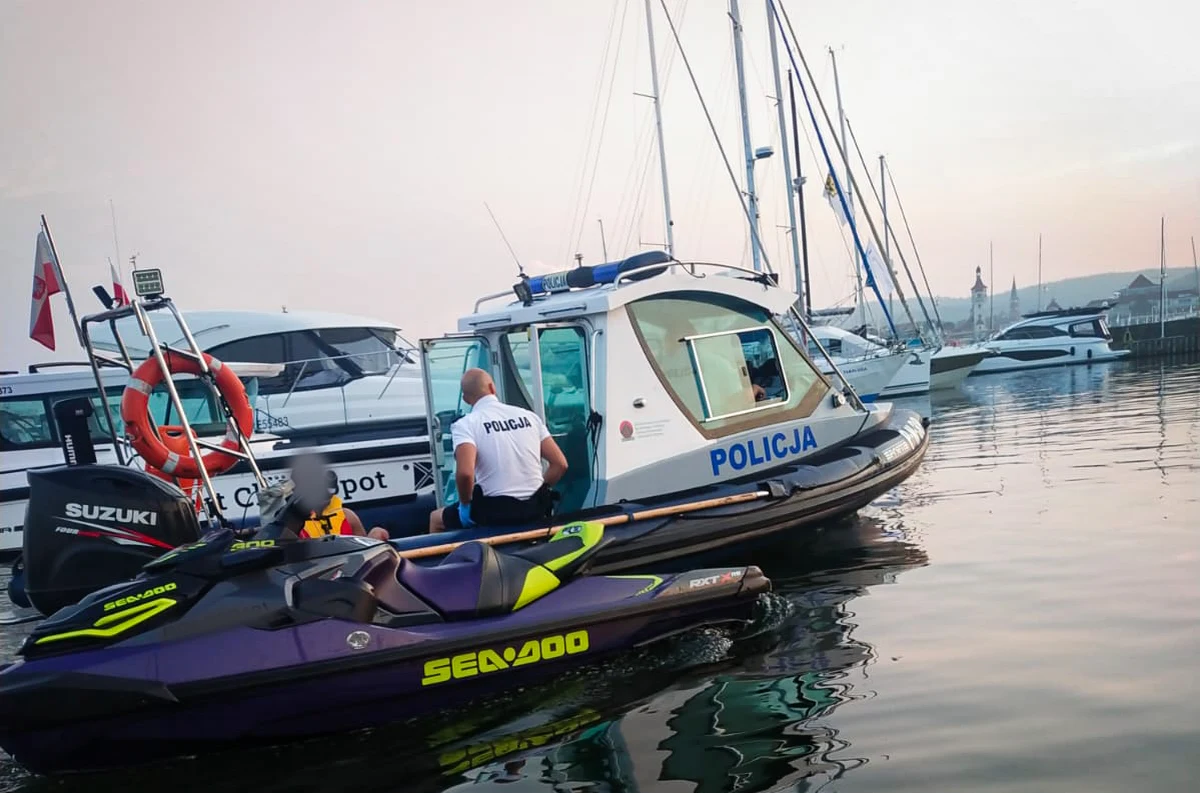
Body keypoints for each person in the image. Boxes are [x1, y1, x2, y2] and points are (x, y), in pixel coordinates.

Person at [429, 368, 568, 533]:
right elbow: (560, 464)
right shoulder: (529, 416)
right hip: (535, 509)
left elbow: (465, 474)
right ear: (492, 388)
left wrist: (465, 505)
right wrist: (541, 490)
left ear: (466, 399)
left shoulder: (466, 424)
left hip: (495, 512)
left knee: (435, 518)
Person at [299, 487, 390, 540]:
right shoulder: (294, 524)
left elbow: (365, 548)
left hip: (352, 566)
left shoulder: (348, 516)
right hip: (317, 569)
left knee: (378, 532)